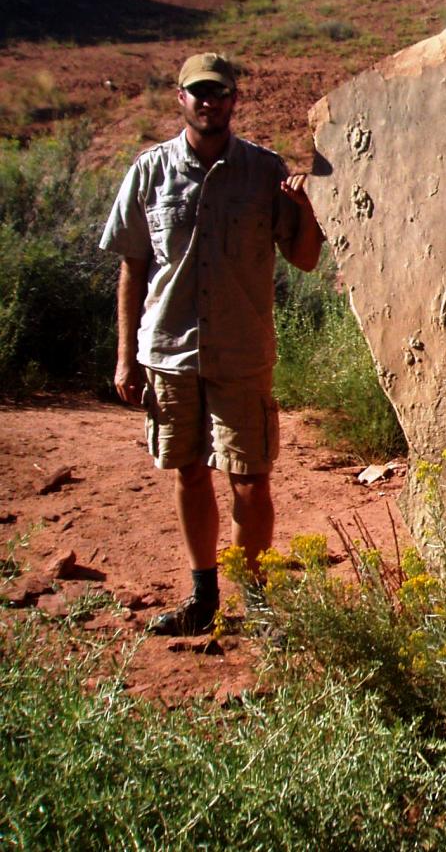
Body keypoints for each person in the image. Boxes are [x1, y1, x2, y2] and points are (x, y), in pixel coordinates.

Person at [100, 53, 323, 635]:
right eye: (198, 92)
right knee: (189, 472)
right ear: (181, 97)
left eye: (219, 92)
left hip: (241, 352)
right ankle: (203, 599)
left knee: (251, 479)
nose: (209, 101)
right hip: (169, 351)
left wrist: (306, 212)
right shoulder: (149, 171)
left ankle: (257, 602)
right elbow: (133, 267)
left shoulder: (263, 171)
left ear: (233, 99)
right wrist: (125, 358)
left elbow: (304, 259)